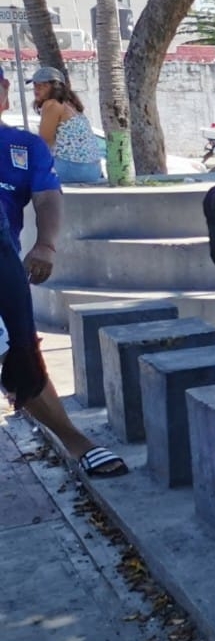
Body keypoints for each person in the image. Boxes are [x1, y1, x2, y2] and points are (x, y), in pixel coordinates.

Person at [0, 70, 128, 476]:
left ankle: (77, 443)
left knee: (18, 352)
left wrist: (45, 245)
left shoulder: (24, 146)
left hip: (3, 266)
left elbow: (47, 197)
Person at [30, 67, 104, 184]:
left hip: (70, 167)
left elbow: (45, 141)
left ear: (56, 87)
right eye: (35, 84)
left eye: (44, 85)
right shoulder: (71, 106)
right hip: (94, 169)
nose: (37, 89)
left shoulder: (52, 105)